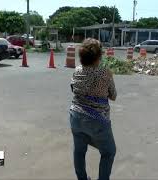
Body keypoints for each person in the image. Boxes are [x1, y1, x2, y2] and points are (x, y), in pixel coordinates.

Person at [69, 38, 117, 180]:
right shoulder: (105, 73)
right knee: (108, 152)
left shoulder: (77, 71)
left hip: (75, 116)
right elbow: (113, 96)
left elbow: (73, 88)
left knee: (79, 151)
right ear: (98, 57)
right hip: (97, 120)